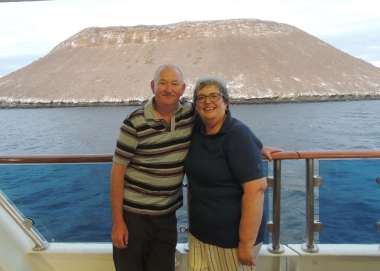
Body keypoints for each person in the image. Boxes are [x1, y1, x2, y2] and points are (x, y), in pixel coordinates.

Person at [110, 64, 194, 271]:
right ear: (152, 86)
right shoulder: (135, 122)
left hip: (166, 218)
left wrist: (255, 146)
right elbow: (117, 173)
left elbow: (220, 122)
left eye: (174, 84)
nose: (168, 89)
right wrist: (118, 223)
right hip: (133, 218)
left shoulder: (190, 115)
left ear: (183, 89)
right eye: (162, 83)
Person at [185, 77, 268, 271]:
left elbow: (256, 190)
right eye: (201, 97)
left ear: (226, 102)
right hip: (199, 237)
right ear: (196, 104)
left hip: (231, 243)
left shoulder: (238, 135)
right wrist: (260, 147)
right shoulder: (197, 129)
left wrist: (246, 244)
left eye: (214, 95)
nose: (207, 101)